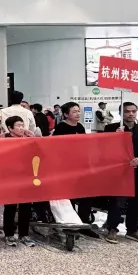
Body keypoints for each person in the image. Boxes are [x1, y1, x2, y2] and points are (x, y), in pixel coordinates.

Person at [104, 102, 138, 244]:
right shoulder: (111, 128)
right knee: (118, 201)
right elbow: (104, 149)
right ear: (121, 113)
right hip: (120, 171)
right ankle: (112, 228)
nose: (131, 114)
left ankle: (132, 230)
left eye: (133, 111)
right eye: (127, 111)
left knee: (136, 201)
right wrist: (114, 138)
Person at [52, 102, 98, 238]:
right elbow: (56, 147)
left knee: (85, 194)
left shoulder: (80, 126)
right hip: (66, 167)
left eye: (79, 111)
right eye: (74, 112)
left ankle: (84, 222)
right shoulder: (61, 127)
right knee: (69, 195)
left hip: (81, 165)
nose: (78, 114)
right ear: (66, 114)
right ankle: (70, 224)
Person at [0, 116, 36, 247]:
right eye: (18, 126)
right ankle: (9, 234)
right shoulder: (3, 140)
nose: (22, 128)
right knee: (10, 206)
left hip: (26, 178)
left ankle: (24, 234)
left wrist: (33, 138)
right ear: (10, 128)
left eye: (22, 125)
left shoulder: (28, 140)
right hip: (9, 179)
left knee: (26, 206)